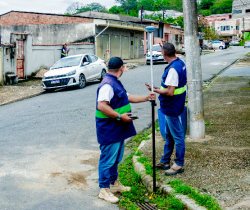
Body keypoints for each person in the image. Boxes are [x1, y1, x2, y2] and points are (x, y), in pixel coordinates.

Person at [96, 57, 155, 203]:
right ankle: (104, 190)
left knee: (116, 159)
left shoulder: (114, 82)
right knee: (107, 160)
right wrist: (119, 117)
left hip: (117, 129)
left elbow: (127, 97)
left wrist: (146, 98)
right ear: (121, 68)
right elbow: (101, 106)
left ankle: (114, 184)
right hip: (110, 129)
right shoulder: (107, 85)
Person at [146, 43, 187, 176]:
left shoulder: (173, 69)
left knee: (178, 135)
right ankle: (165, 161)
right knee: (169, 135)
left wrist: (155, 90)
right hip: (175, 105)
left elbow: (170, 92)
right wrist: (158, 88)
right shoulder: (180, 63)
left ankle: (179, 164)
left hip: (171, 107)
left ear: (163, 54)